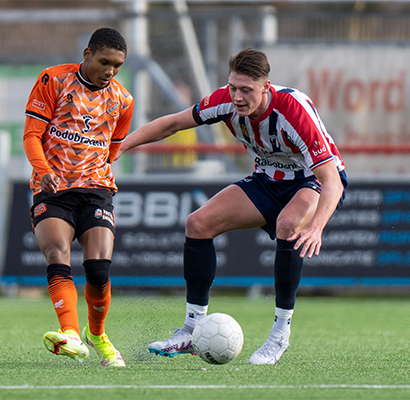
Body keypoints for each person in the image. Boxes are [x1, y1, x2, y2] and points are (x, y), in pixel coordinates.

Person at [116, 48, 347, 365]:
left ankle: (280, 334)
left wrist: (317, 226)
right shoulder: (223, 101)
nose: (237, 97)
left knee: (287, 225)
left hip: (312, 181)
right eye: (233, 87)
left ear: (266, 87)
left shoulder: (293, 110)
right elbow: (172, 124)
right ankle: (191, 328)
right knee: (197, 224)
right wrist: (122, 145)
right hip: (267, 180)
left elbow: (332, 180)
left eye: (246, 90)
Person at [23, 27, 134, 367]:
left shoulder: (123, 100)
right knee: (57, 254)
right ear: (87, 55)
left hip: (96, 191)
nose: (110, 72)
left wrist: (89, 170)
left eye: (117, 66)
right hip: (52, 189)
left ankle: (96, 334)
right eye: (104, 62)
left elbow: (112, 149)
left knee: (98, 268)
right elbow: (31, 135)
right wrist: (44, 171)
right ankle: (70, 333)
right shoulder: (53, 81)